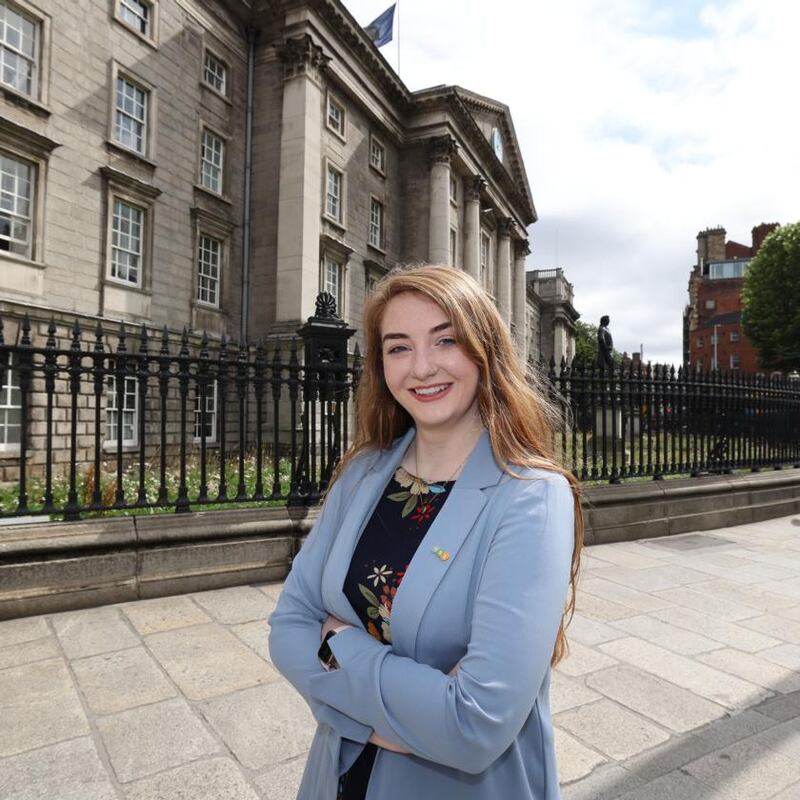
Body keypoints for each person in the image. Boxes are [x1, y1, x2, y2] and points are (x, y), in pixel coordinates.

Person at [268, 264, 584, 800]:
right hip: (338, 777)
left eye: (446, 340)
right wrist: (414, 711)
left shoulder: (530, 496)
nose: (421, 367)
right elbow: (287, 628)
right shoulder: (364, 472)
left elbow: (473, 727)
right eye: (398, 347)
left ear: (484, 350)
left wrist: (338, 648)